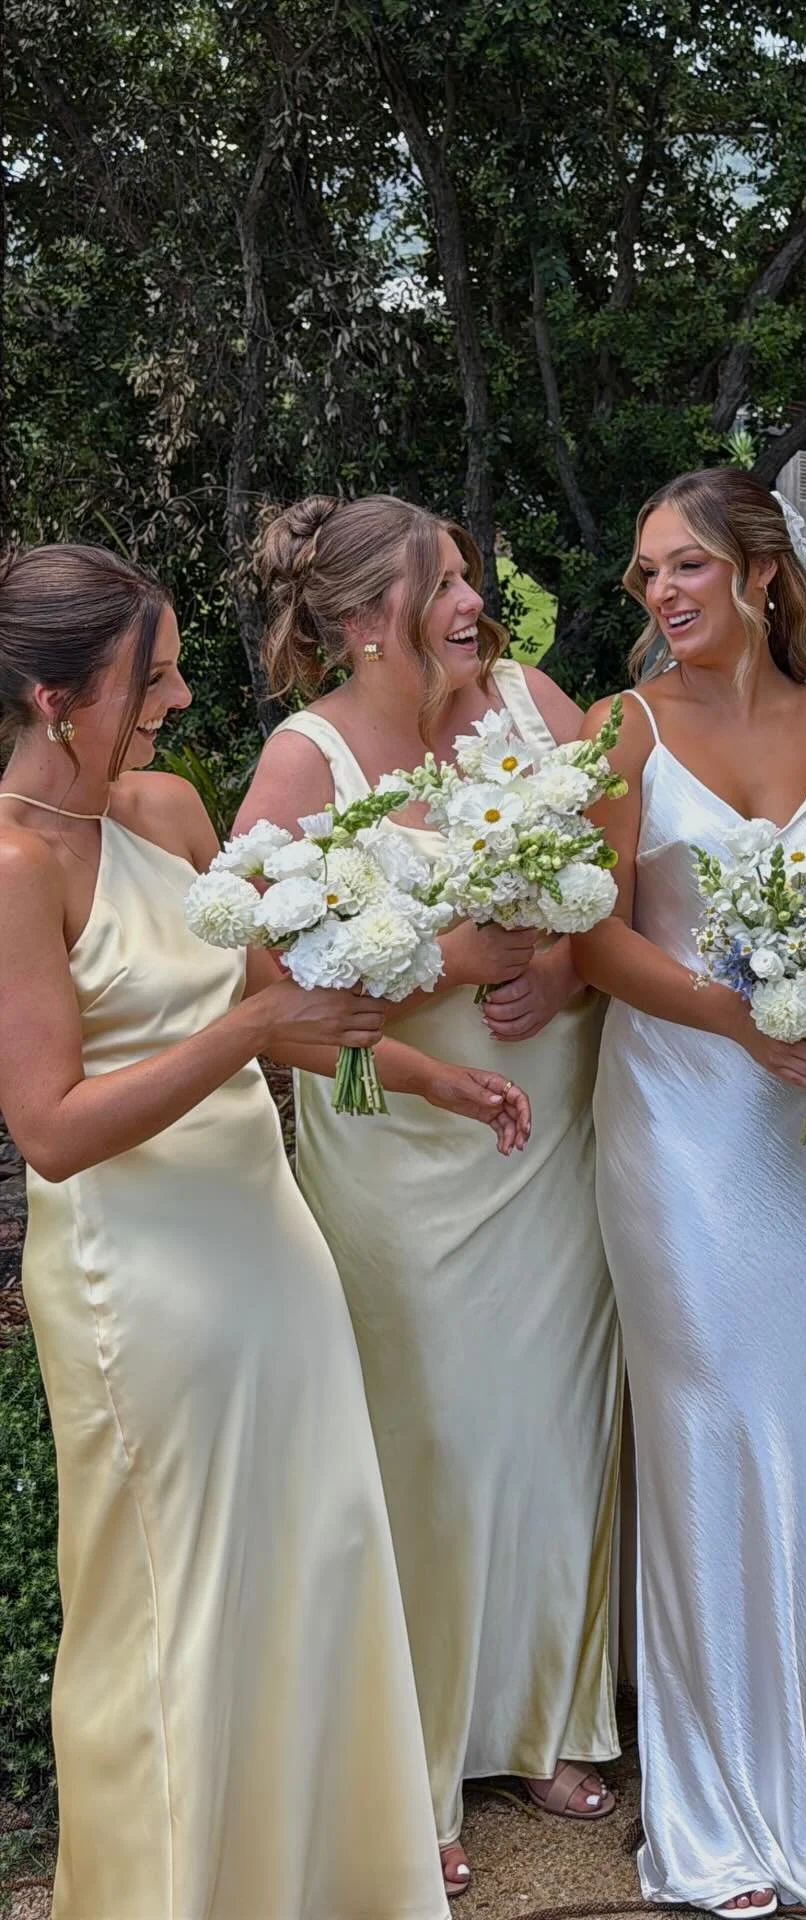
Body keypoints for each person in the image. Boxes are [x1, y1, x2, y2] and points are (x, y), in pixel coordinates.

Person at [0, 544, 520, 1918]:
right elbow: (50, 1128)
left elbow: (285, 1003)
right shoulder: (12, 868)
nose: (174, 696)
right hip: (143, 1285)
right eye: (148, 673)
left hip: (268, 1248)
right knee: (173, 1607)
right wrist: (248, 1028)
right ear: (59, 698)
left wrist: (429, 1071)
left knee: (315, 1558)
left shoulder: (165, 811)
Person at [571, 466, 806, 1919]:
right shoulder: (627, 730)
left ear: (761, 574)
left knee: (804, 1403)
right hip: (678, 1118)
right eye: (647, 575)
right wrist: (745, 1019)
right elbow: (595, 945)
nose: (663, 595)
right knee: (703, 1410)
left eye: (685, 567)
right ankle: (721, 1782)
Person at [234, 495, 623, 1897]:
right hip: (400, 1134)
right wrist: (447, 1008)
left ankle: (543, 1721)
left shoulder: (529, 701)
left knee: (554, 1425)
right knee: (436, 1444)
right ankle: (411, 1762)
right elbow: (269, 994)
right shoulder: (308, 757)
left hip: (555, 1127)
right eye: (437, 582)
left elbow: (614, 869)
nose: (470, 601)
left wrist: (570, 966)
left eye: (466, 573)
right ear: (359, 622)